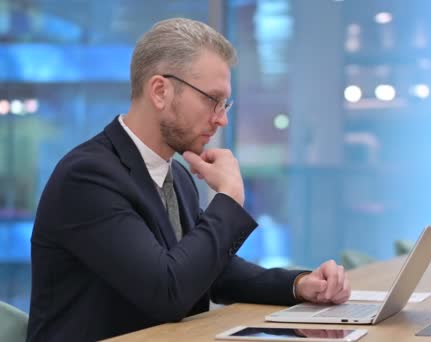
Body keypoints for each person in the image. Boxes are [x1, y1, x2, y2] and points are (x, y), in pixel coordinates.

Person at [27, 18, 350, 341]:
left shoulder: (176, 175)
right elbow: (168, 292)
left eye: (225, 104)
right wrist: (228, 197)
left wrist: (299, 285)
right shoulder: (87, 178)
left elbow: (211, 271)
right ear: (159, 91)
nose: (221, 119)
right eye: (212, 100)